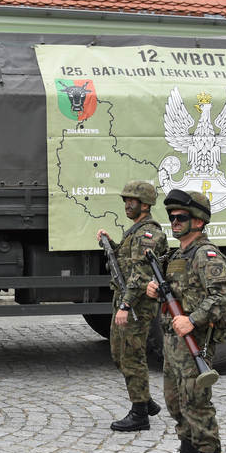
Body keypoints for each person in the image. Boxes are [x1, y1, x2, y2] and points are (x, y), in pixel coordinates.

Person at [145, 190, 226, 453]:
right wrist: (156, 290)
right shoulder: (178, 255)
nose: (173, 222)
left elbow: (225, 297)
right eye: (171, 217)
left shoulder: (204, 254)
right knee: (174, 401)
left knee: (197, 404)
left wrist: (193, 320)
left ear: (198, 221)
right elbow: (178, 293)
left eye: (180, 217)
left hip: (195, 343)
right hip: (174, 345)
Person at [97, 180, 168, 431]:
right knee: (119, 353)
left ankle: (139, 414)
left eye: (132, 201)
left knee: (132, 356)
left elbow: (140, 274)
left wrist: (126, 306)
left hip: (137, 304)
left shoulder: (149, 234)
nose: (127, 204)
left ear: (145, 205)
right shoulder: (135, 231)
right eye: (125, 200)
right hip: (126, 300)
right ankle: (146, 400)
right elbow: (126, 262)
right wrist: (110, 244)